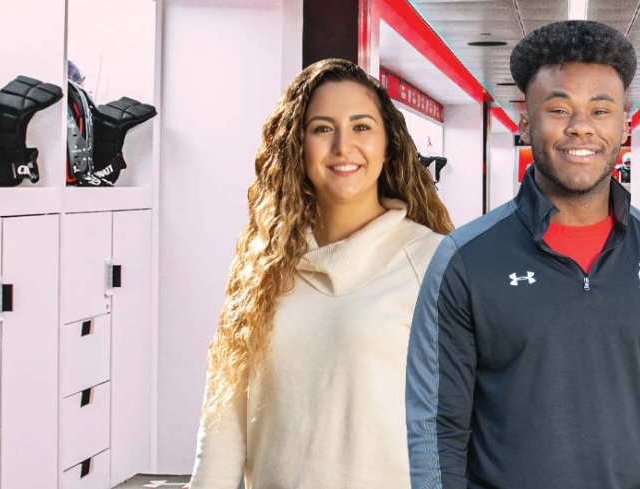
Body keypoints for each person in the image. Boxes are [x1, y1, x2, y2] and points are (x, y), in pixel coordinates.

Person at [406, 20, 640, 489]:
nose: (581, 127)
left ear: (624, 123)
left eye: (600, 110)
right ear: (526, 121)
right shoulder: (464, 260)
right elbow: (437, 429)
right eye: (559, 109)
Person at [190, 58, 454, 488]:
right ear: (297, 145)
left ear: (388, 145)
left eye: (361, 127)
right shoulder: (261, 270)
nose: (342, 146)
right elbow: (223, 429)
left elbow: (473, 423)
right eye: (322, 128)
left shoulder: (434, 263)